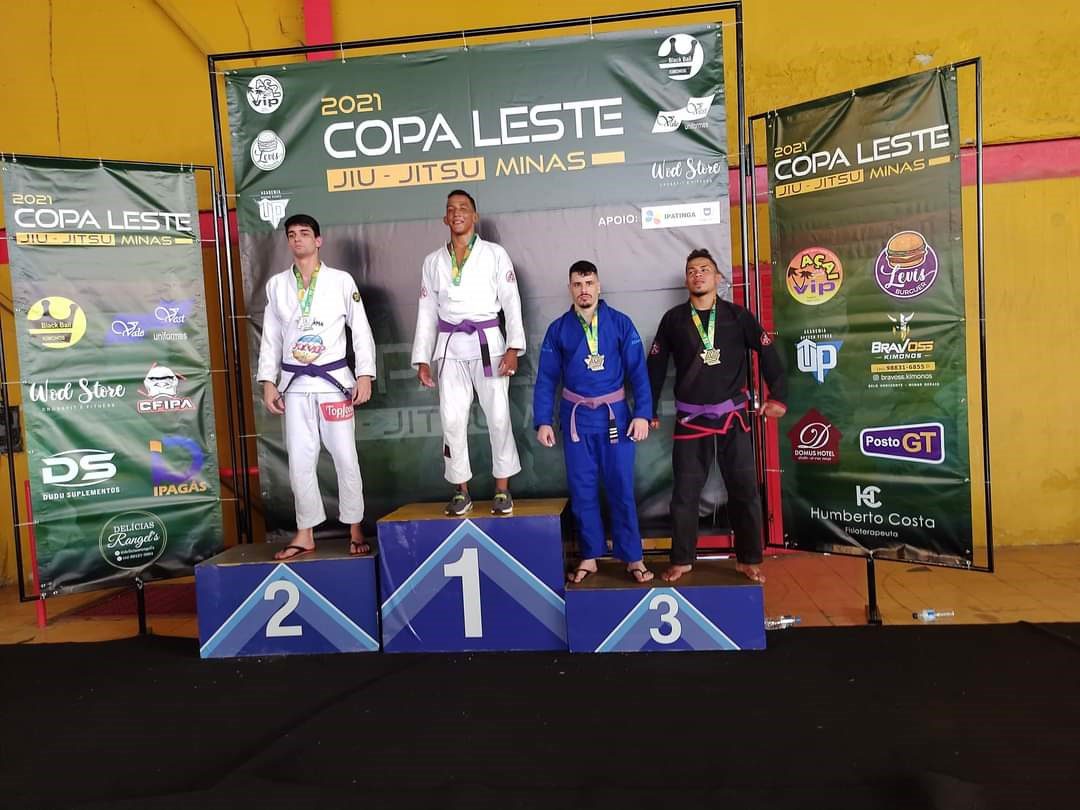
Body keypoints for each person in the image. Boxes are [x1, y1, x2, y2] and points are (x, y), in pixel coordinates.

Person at [647, 248, 787, 583]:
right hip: (690, 420)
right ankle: (682, 559)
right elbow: (655, 366)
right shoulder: (673, 319)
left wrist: (778, 397)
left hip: (732, 417)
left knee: (744, 490)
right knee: (684, 494)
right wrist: (646, 409)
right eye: (692, 271)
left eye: (705, 269)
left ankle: (748, 559)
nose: (698, 275)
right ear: (686, 280)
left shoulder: (738, 316)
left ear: (718, 277)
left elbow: (767, 352)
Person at [256, 214, 376, 560]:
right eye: (292, 235)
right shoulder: (277, 285)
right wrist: (268, 381)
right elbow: (271, 338)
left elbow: (361, 329)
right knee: (300, 460)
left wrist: (364, 374)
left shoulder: (340, 281)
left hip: (334, 383)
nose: (298, 239)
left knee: (345, 457)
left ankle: (355, 527)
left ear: (318, 240)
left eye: (304, 234)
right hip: (294, 384)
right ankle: (305, 533)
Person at [534, 260, 654, 584]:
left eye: (589, 283)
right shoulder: (559, 329)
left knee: (621, 488)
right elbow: (546, 379)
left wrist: (642, 414)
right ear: (570, 289)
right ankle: (589, 555)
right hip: (577, 422)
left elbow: (638, 374)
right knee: (582, 490)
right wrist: (543, 420)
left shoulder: (620, 323)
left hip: (616, 419)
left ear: (598, 286)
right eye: (577, 284)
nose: (584, 290)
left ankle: (633, 556)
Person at [412, 190, 525, 516]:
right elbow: (426, 312)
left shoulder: (494, 254)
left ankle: (502, 489)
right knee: (451, 419)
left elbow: (511, 302)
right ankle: (461, 490)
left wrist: (514, 347)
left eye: (463, 208)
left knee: (498, 416)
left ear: (475, 216)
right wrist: (422, 358)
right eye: (451, 209)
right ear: (445, 218)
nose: (457, 213)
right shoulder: (433, 261)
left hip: (489, 342)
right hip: (450, 346)